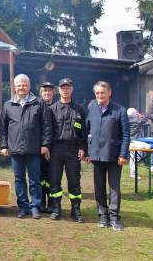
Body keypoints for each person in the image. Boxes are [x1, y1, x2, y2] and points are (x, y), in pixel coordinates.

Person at [0, 74, 52, 219]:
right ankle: (23, 207)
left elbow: (46, 126)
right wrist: (4, 145)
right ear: (14, 87)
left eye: (24, 85)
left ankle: (35, 207)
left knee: (35, 179)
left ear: (29, 86)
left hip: (34, 149)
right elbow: (3, 128)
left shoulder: (38, 103)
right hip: (15, 149)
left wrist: (45, 144)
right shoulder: (8, 105)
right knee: (19, 179)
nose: (21, 88)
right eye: (18, 85)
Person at [86, 81, 129, 231]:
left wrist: (123, 154)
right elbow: (87, 131)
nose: (99, 96)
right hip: (96, 155)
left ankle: (114, 218)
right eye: (97, 93)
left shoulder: (120, 110)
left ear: (109, 93)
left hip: (113, 155)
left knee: (114, 188)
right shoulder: (91, 108)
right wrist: (86, 152)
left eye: (102, 93)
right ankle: (103, 216)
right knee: (99, 187)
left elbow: (125, 135)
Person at [49, 78, 86, 223]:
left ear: (72, 89)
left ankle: (75, 210)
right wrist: (47, 147)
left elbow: (84, 131)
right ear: (59, 90)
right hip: (55, 149)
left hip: (73, 149)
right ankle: (56, 208)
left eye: (68, 87)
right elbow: (48, 131)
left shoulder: (79, 109)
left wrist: (83, 148)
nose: (65, 90)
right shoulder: (52, 109)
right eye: (63, 88)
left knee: (74, 180)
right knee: (54, 180)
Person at [38, 81, 55, 213]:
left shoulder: (57, 107)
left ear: (53, 93)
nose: (47, 93)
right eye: (44, 91)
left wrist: (49, 147)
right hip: (39, 148)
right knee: (39, 177)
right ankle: (41, 202)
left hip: (53, 149)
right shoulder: (36, 106)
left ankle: (51, 203)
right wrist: (43, 146)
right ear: (41, 93)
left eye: (49, 91)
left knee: (51, 177)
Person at [127, 107, 148, 179]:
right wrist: (139, 115)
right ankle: (133, 173)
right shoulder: (136, 120)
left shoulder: (126, 119)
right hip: (135, 141)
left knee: (133, 157)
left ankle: (133, 173)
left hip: (130, 140)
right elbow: (145, 118)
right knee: (135, 157)